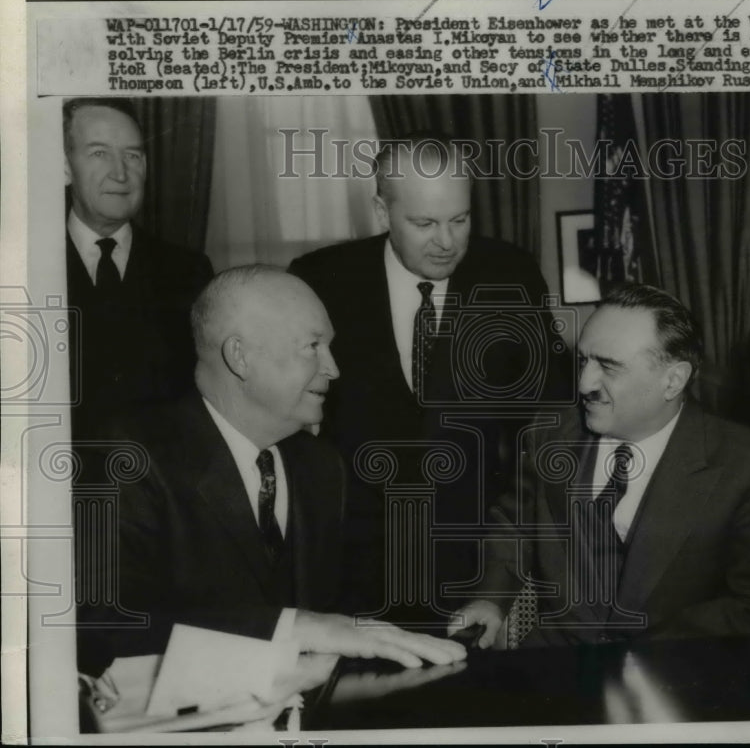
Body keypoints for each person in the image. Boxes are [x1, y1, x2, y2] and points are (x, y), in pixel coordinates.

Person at [76, 267, 466, 675]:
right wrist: (294, 627)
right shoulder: (125, 457)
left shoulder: (320, 466)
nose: (333, 368)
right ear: (239, 356)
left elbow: (362, 608)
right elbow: (102, 627)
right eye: (312, 346)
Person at [289, 133, 572, 624]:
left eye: (459, 220)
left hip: (470, 554)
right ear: (382, 212)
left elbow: (548, 413)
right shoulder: (320, 278)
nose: (446, 242)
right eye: (424, 223)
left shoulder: (511, 274)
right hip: (351, 560)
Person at [452, 284, 750, 647]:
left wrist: (635, 656)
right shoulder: (550, 434)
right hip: (552, 665)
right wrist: (490, 598)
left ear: (673, 380)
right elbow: (514, 526)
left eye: (609, 367)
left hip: (673, 670)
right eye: (583, 360)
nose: (584, 384)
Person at [63, 97, 213, 441]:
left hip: (160, 479)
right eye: (99, 153)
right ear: (66, 166)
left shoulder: (189, 270)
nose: (120, 173)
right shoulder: (28, 263)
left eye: (133, 156)